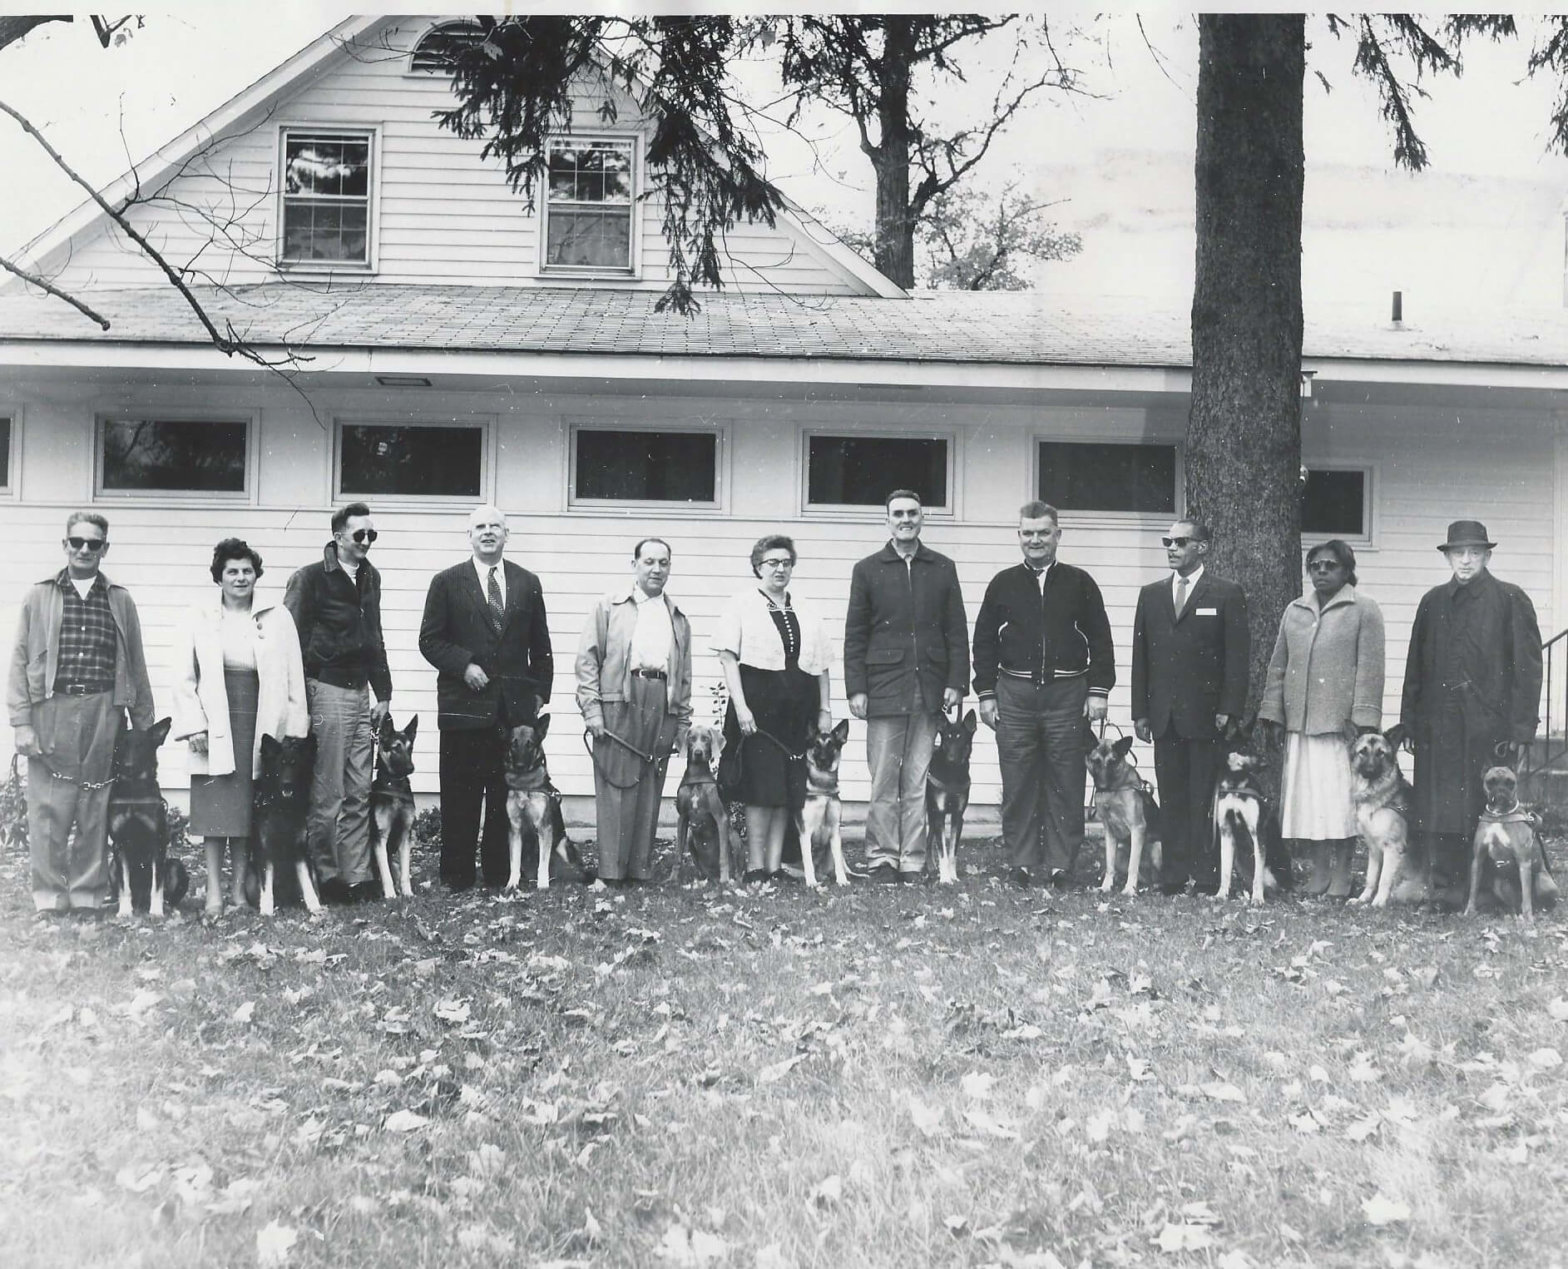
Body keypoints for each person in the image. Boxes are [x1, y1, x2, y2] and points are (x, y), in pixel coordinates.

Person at [7, 511, 155, 915]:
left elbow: (136, 665)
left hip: (105, 710)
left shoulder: (120, 599)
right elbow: (19, 661)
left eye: (94, 543)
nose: (85, 550)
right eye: (77, 542)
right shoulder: (39, 597)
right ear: (65, 545)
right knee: (49, 808)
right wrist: (21, 722)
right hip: (51, 708)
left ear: (105, 548)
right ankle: (50, 898)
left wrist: (143, 729)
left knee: (96, 806)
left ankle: (88, 895)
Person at [1394, 519, 1542, 909]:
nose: (1465, 560)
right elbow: (1415, 666)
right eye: (1458, 552)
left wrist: (1521, 728)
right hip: (1438, 727)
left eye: (1474, 552)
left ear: (1487, 555)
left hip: (1488, 729)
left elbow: (1527, 669)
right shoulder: (1433, 602)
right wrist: (1409, 719)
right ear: (1448, 556)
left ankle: (1491, 891)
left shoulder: (1510, 600)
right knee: (1440, 806)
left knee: (1483, 805)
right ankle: (1445, 888)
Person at [973, 501, 1113, 888]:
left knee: (1066, 781)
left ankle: (1060, 865)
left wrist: (1098, 691)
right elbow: (983, 642)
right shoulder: (1002, 583)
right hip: (1014, 695)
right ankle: (1020, 863)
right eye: (1028, 533)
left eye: (1043, 533)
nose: (1035, 540)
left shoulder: (1080, 582)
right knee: (1017, 780)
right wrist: (986, 694)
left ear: (1057, 536)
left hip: (1067, 695)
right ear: (1019, 537)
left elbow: (1102, 640)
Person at [419, 505, 554, 891]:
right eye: (480, 527)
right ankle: (457, 875)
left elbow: (540, 646)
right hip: (463, 708)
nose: (488, 532)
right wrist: (463, 666)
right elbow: (429, 640)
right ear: (469, 535)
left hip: (511, 713)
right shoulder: (446, 582)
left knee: (502, 797)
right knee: (460, 796)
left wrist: (541, 692)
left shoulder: (528, 582)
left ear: (507, 535)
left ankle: (499, 873)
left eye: (496, 526)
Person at [171, 539, 309, 915]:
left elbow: (294, 677)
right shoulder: (198, 616)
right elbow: (183, 677)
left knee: (250, 808)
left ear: (256, 575)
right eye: (232, 571)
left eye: (247, 570)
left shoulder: (277, 617)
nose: (240, 577)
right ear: (219, 576)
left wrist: (294, 731)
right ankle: (214, 893)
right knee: (216, 808)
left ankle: (238, 893)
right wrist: (193, 725)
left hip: (261, 722)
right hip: (215, 721)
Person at [843, 489, 969, 883]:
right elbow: (855, 635)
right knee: (883, 779)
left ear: (922, 518)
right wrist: (856, 688)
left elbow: (957, 631)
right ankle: (881, 858)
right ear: (887, 520)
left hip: (929, 689)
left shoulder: (942, 568)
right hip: (882, 688)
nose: (905, 519)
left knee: (917, 779)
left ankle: (912, 861)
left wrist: (956, 683)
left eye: (912, 513)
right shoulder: (867, 569)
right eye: (897, 513)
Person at [1256, 540, 1385, 897]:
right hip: (1301, 722)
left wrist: (1363, 722)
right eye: (1315, 566)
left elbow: (1371, 670)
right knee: (1309, 802)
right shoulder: (1295, 611)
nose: (1322, 572)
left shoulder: (1364, 609)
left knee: (1339, 801)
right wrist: (1274, 712)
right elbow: (1278, 665)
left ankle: (1343, 874)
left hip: (1340, 727)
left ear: (1347, 570)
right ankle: (1320, 873)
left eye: (1330, 566)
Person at [1131, 519, 1249, 895]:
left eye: (1181, 542)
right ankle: (1174, 874)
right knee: (1172, 795)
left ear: (1203, 547)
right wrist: (1141, 712)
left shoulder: (1226, 594)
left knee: (1204, 797)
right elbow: (1140, 659)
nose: (1172, 548)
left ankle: (1207, 874)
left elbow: (1237, 657)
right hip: (1164, 717)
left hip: (1205, 716)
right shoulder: (1151, 595)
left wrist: (1230, 708)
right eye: (1168, 541)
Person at [283, 502, 393, 904]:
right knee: (327, 789)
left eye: (372, 535)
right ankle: (325, 875)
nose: (366, 542)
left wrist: (385, 692)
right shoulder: (310, 578)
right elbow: (289, 642)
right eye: (359, 535)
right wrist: (300, 699)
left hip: (361, 691)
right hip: (325, 689)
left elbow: (375, 634)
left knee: (359, 786)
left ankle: (356, 875)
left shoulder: (371, 577)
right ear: (338, 537)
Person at [713, 535, 835, 884]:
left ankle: (775, 865)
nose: (779, 569)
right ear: (757, 567)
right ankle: (755, 866)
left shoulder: (805, 607)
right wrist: (741, 708)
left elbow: (822, 663)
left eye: (785, 562)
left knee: (787, 787)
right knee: (759, 788)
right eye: (771, 563)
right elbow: (727, 657)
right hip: (758, 710)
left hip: (799, 712)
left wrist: (825, 708)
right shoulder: (742, 603)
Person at [576, 537, 692, 888]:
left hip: (662, 702)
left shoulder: (678, 618)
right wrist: (592, 711)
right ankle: (611, 872)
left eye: (663, 563)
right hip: (619, 701)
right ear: (634, 565)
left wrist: (682, 720)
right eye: (649, 562)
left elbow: (684, 673)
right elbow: (587, 662)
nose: (656, 569)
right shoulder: (609, 607)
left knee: (650, 784)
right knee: (616, 784)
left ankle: (639, 870)